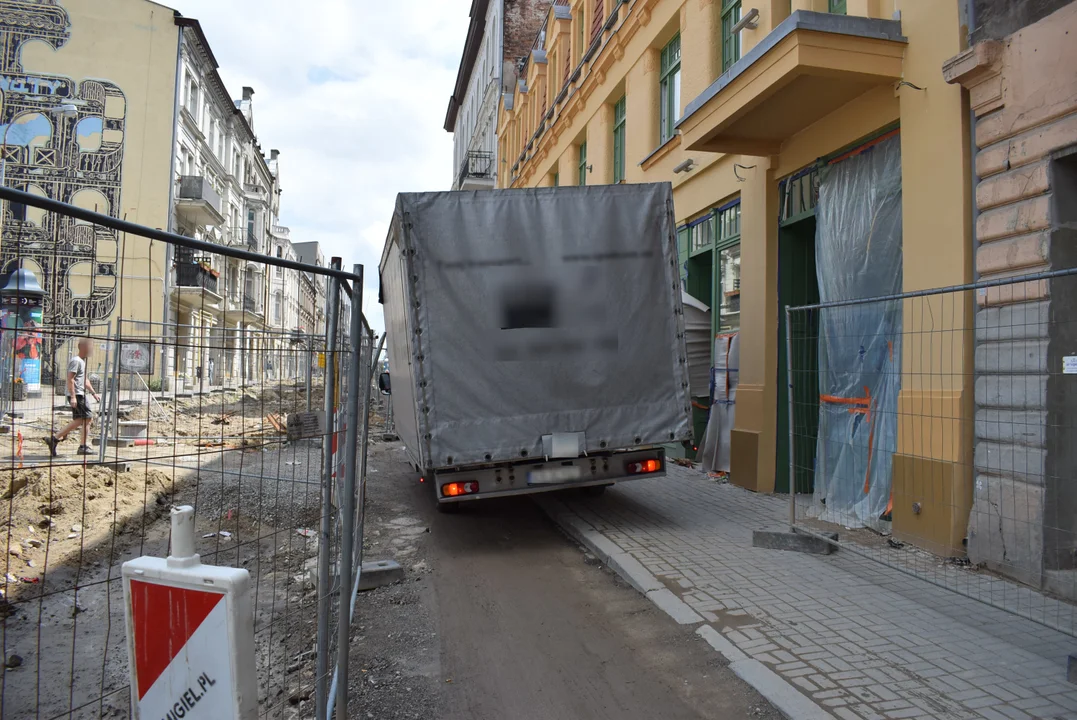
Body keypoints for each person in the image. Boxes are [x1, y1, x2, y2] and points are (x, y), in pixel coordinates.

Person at [44, 339, 100, 457]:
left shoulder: (82, 361)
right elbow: (70, 379)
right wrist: (73, 397)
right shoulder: (76, 361)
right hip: (77, 394)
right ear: (81, 347)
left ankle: (57, 439)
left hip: (80, 393)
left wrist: (93, 393)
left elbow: (84, 380)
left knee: (83, 419)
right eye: (89, 346)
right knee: (86, 419)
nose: (91, 349)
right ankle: (74, 444)